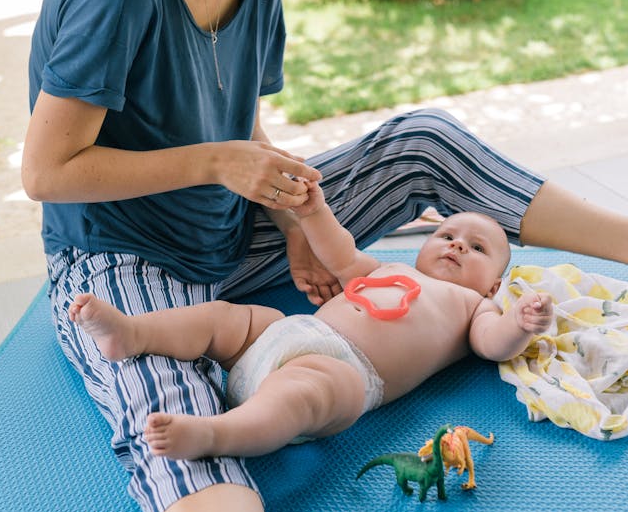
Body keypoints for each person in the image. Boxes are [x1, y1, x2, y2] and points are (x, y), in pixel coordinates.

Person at [21, 0, 628, 512]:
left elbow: (244, 133)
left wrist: (293, 217)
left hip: (231, 226)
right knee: (183, 427)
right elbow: (47, 171)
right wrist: (221, 164)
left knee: (421, 140)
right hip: (125, 256)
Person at [68, 184, 554, 460]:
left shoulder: (476, 306)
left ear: (493, 284)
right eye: (447, 234)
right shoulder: (389, 269)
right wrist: (314, 212)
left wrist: (521, 321)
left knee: (303, 394)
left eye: (477, 248)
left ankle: (217, 433)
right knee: (227, 319)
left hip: (349, 375)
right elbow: (340, 253)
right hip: (292, 333)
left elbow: (494, 344)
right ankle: (133, 333)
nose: (457, 245)